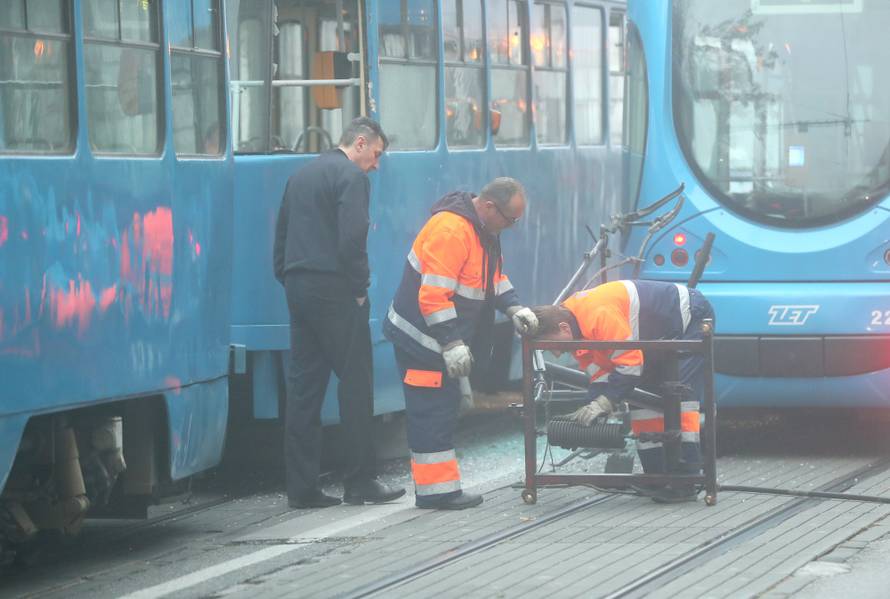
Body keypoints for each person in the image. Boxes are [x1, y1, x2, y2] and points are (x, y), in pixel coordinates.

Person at [383, 177, 539, 510]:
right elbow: (433, 296)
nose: (511, 227)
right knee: (431, 410)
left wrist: (514, 307)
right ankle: (437, 493)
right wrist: (451, 343)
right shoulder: (452, 232)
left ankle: (439, 489)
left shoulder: (484, 232)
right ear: (488, 207)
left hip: (436, 340)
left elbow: (492, 278)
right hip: (421, 340)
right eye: (510, 220)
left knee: (442, 406)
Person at [273, 117, 405, 509]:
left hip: (298, 286)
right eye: (376, 155)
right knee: (356, 383)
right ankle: (360, 481)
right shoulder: (351, 178)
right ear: (360, 144)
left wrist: (288, 275)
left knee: (304, 389)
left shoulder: (301, 175)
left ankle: (301, 488)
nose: (376, 165)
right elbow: (352, 238)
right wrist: (360, 289)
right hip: (334, 289)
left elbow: (281, 235)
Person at [529, 280, 714, 502]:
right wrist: (589, 409)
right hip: (657, 333)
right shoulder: (576, 330)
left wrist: (605, 403)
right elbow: (603, 374)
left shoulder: (598, 315)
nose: (557, 354)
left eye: (553, 346)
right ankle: (657, 476)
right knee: (643, 403)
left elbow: (630, 365)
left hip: (689, 318)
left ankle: (686, 480)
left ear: (564, 328)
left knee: (679, 398)